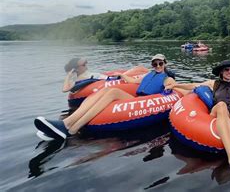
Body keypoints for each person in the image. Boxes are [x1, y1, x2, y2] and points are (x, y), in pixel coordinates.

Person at [35, 54, 176, 141]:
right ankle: (67, 123)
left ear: (165, 64)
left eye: (160, 63)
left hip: (147, 100)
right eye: (155, 64)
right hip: (136, 96)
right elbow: (133, 82)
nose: (157, 66)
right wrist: (123, 76)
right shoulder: (148, 75)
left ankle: (71, 128)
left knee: (112, 92)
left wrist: (170, 88)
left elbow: (173, 85)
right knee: (107, 90)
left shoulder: (167, 78)